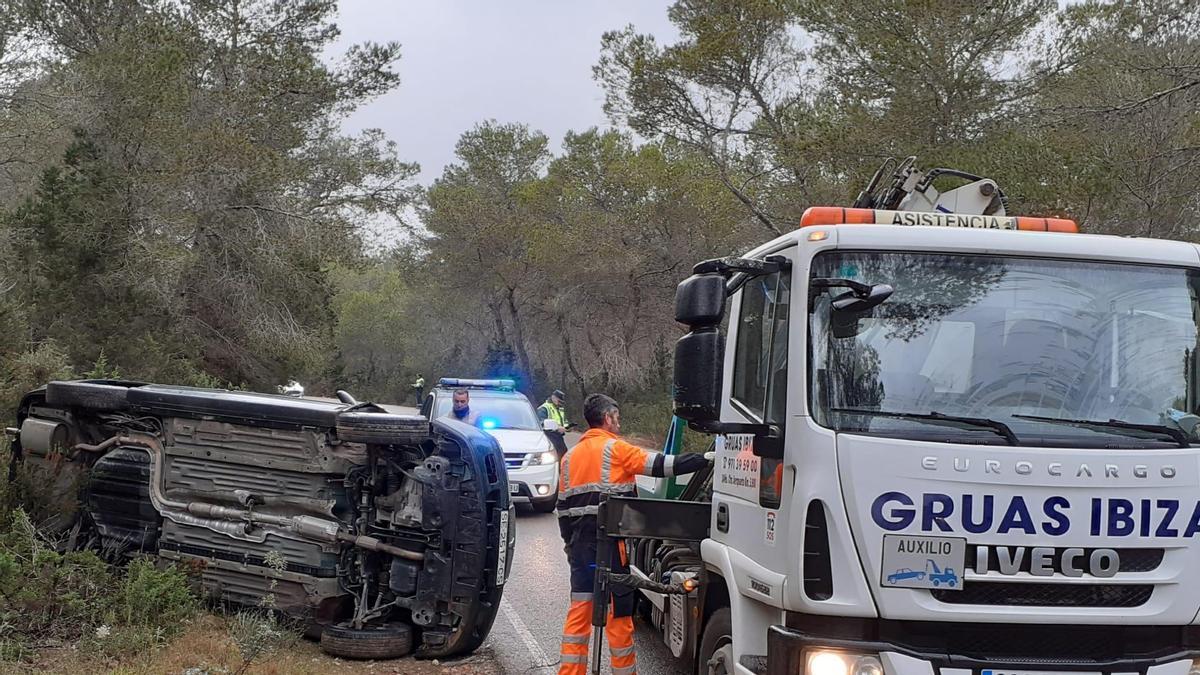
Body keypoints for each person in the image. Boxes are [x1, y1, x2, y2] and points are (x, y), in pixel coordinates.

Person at [556, 394, 709, 675]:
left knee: (579, 613)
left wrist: (570, 546)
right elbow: (664, 466)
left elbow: (563, 510)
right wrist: (703, 459)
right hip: (611, 547)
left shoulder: (569, 458)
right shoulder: (616, 449)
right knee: (619, 616)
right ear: (607, 418)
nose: (619, 421)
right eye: (616, 416)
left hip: (581, 549)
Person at [537, 389, 571, 456]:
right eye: (559, 401)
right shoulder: (544, 408)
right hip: (549, 436)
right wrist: (557, 428)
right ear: (553, 397)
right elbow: (541, 423)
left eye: (562, 402)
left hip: (559, 437)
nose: (560, 403)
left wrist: (568, 427)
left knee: (564, 454)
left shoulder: (559, 408)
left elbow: (564, 421)